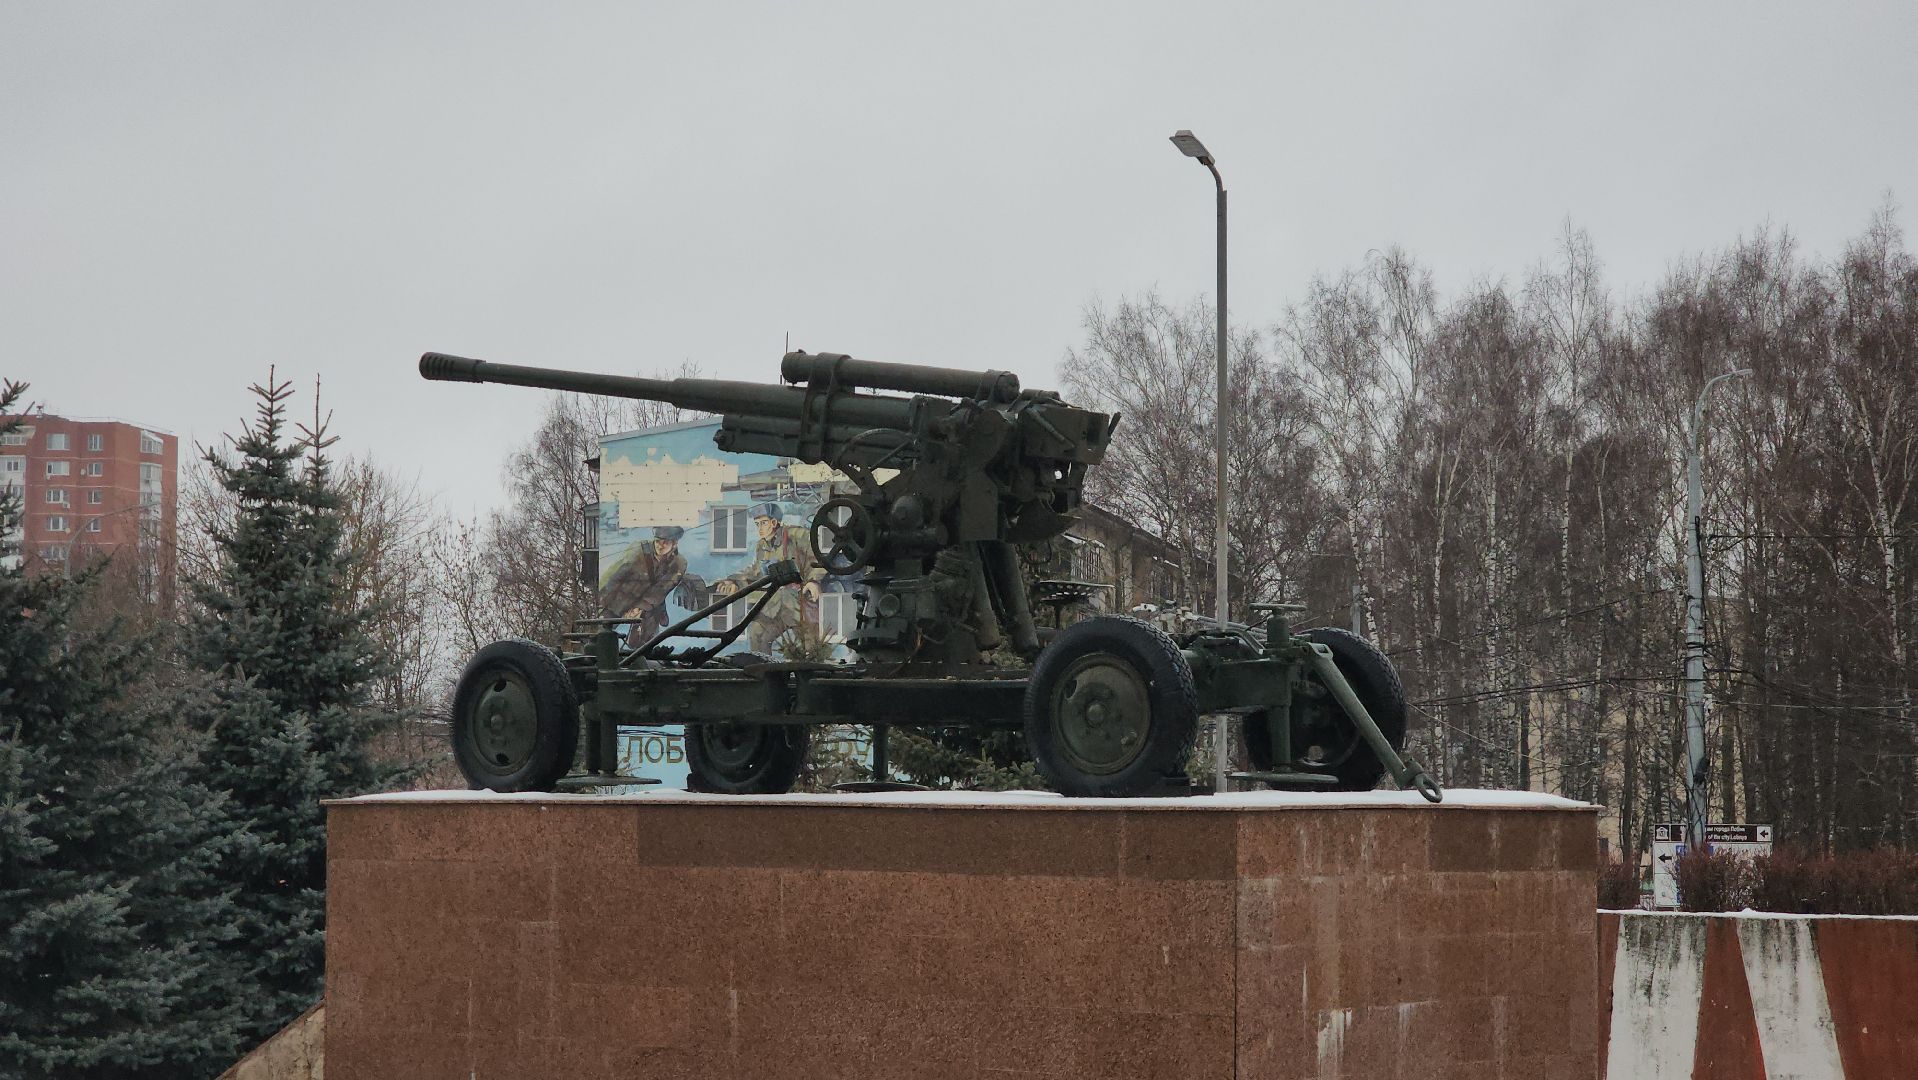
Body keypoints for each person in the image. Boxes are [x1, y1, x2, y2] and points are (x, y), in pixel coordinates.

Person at [714, 502, 823, 653]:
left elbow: (818, 557)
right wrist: (733, 581)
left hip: (798, 602)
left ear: (774, 522)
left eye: (763, 523)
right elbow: (755, 572)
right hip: (774, 605)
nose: (760, 528)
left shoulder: (797, 535)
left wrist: (813, 581)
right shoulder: (761, 546)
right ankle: (764, 671)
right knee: (757, 634)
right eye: (757, 524)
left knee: (809, 645)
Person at [601, 525, 688, 648]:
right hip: (620, 597)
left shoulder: (679, 563)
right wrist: (603, 599)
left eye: (665, 542)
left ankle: (640, 657)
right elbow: (616, 575)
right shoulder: (638, 551)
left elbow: (662, 590)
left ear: (674, 544)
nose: (660, 545)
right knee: (601, 634)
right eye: (657, 541)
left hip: (649, 605)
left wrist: (639, 608)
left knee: (643, 645)